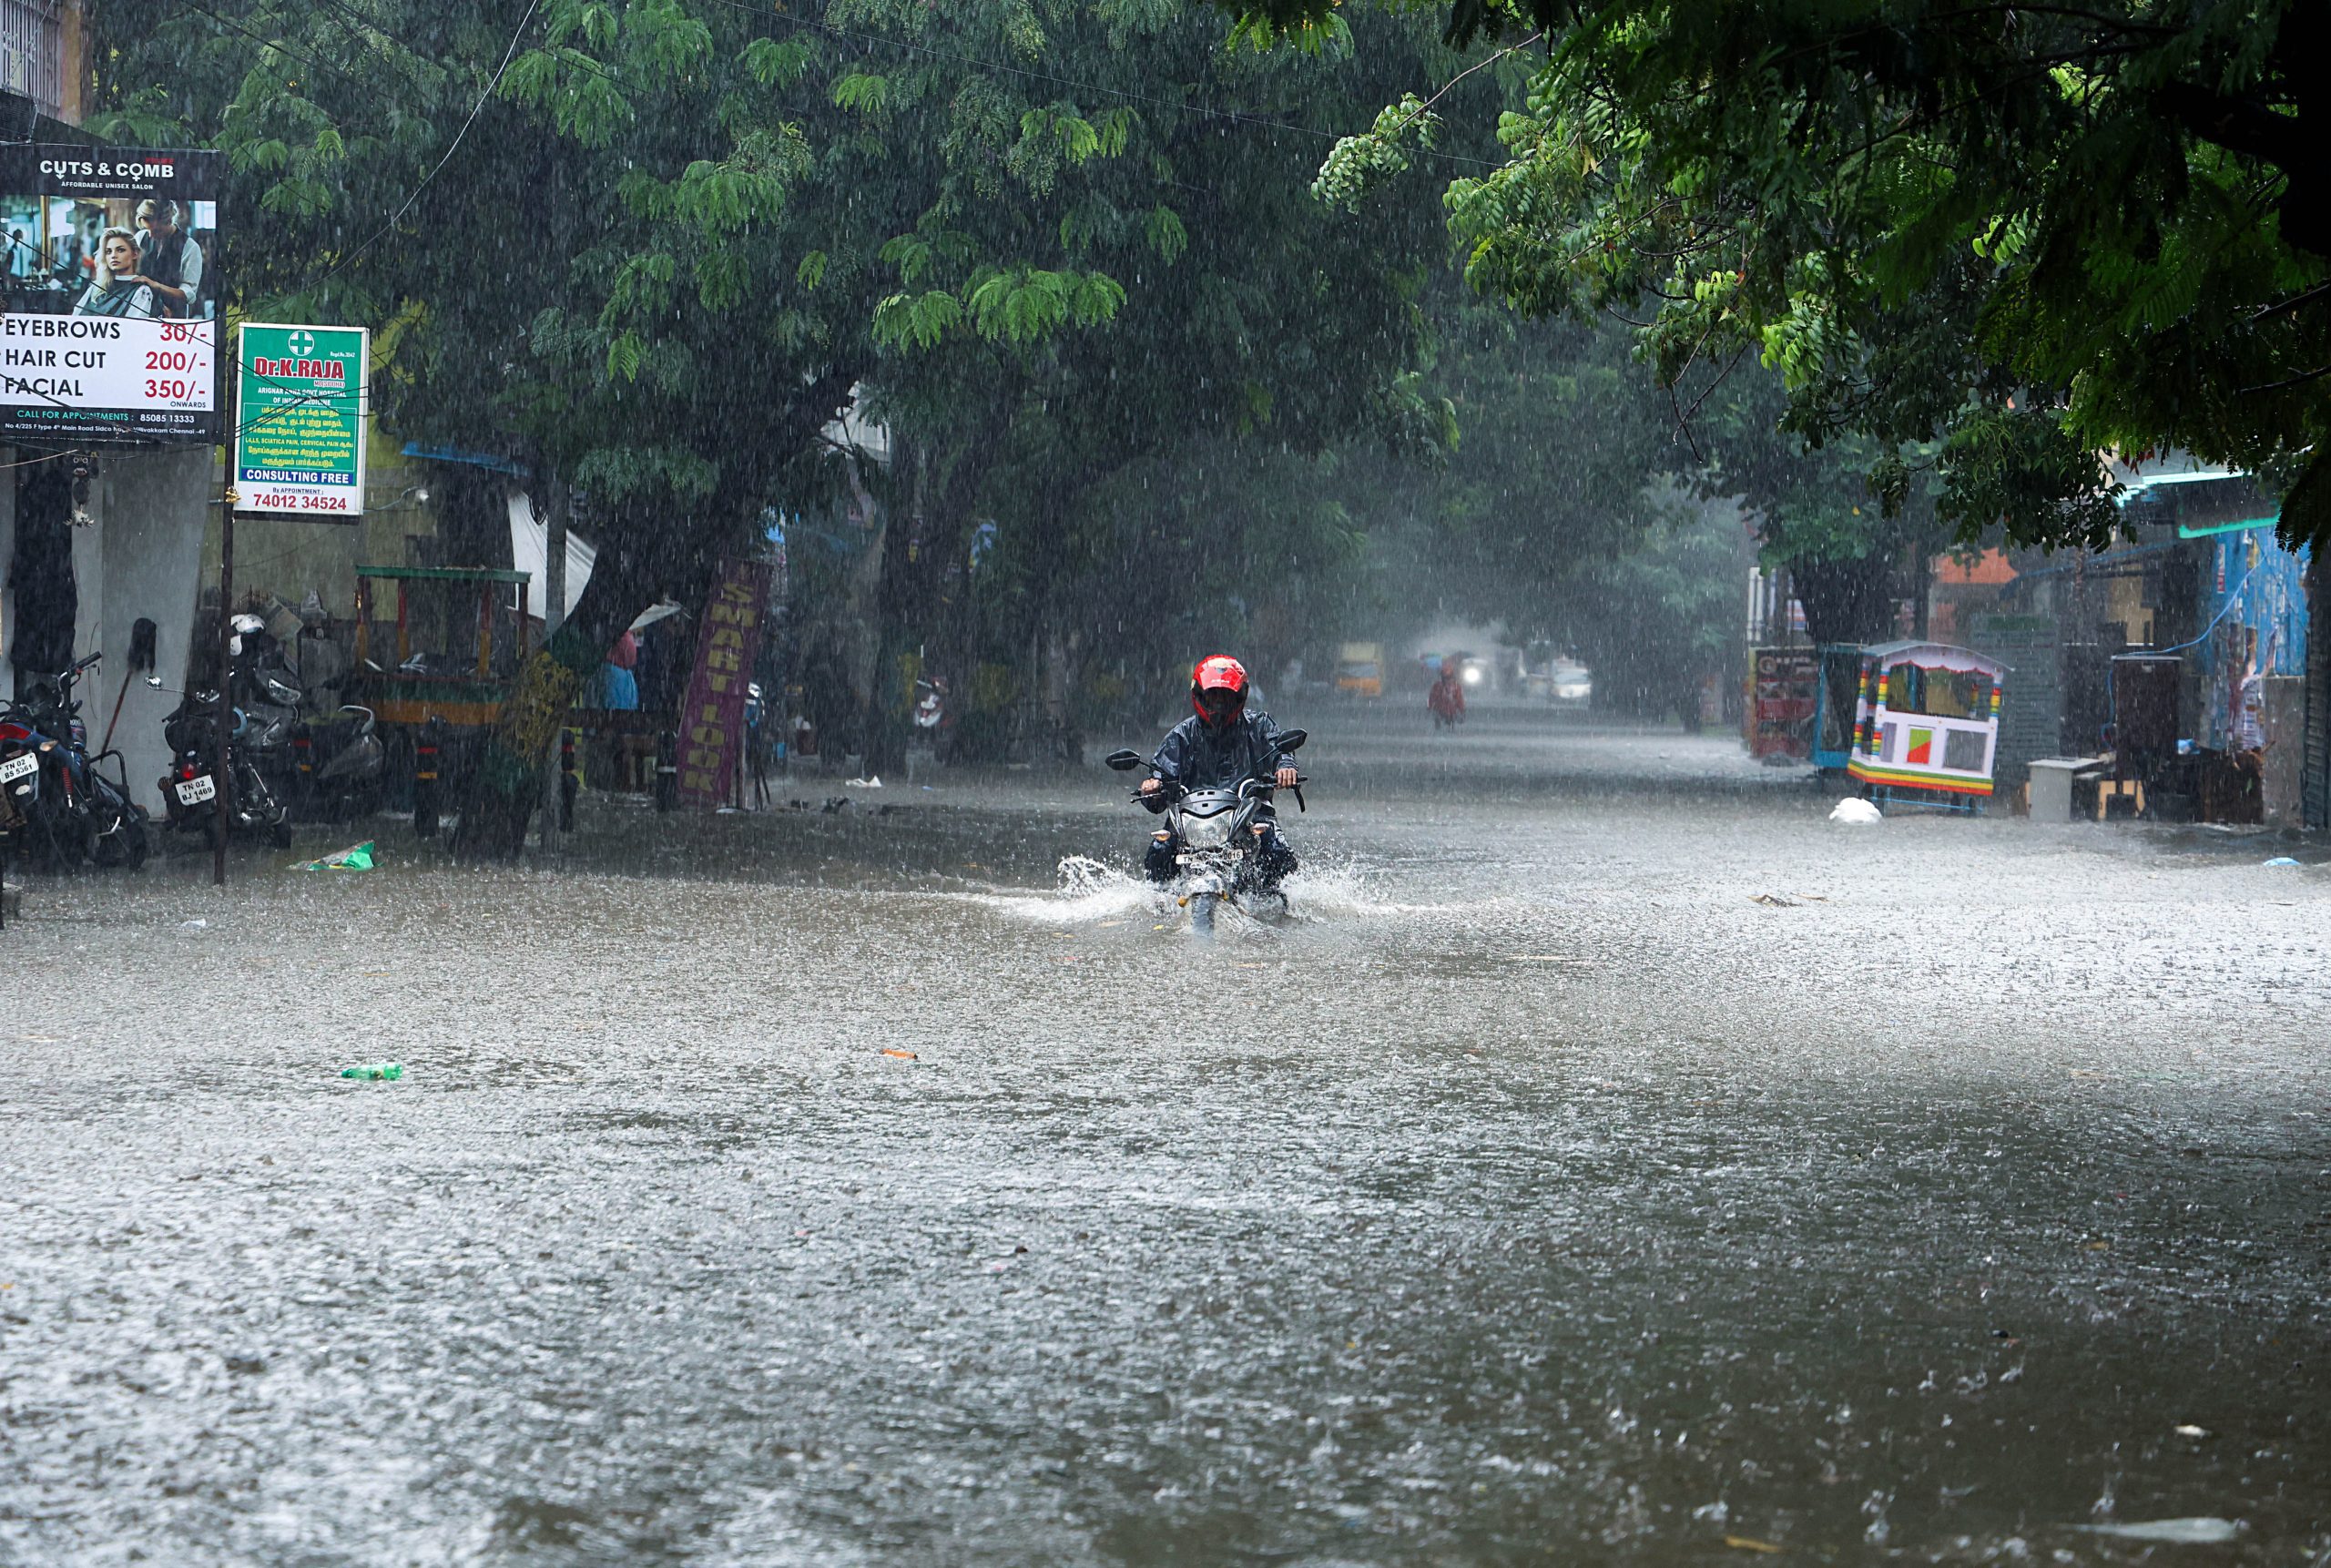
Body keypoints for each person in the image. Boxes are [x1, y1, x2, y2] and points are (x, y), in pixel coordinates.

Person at [1138, 654, 1300, 889]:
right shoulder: (1182, 735)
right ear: (1200, 696)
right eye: (1213, 696)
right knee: (1159, 850)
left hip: (1249, 814)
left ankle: (1278, 906)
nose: (1218, 704)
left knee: (1276, 851)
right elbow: (1160, 776)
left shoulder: (1260, 725)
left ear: (1239, 696)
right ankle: (1159, 904)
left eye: (1225, 696)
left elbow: (1280, 749)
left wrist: (1286, 766)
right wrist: (1152, 786)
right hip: (1190, 820)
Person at [132, 199, 204, 319]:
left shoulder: (190, 248)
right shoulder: (140, 238)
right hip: (141, 313)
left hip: (172, 318)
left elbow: (188, 295)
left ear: (169, 221)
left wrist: (155, 285)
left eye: (156, 230)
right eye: (147, 229)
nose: (150, 235)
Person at [72, 229, 158, 320]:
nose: (113, 255)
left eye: (120, 250)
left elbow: (133, 328)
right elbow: (74, 319)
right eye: (108, 252)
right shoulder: (95, 288)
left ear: (134, 254)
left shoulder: (141, 291)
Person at [1428, 656, 1466, 728]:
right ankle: (1441, 724)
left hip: (1449, 710)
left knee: (1449, 722)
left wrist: (1462, 709)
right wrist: (1430, 707)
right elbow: (1432, 697)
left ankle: (1448, 726)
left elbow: (1459, 699)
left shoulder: (1455, 686)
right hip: (1441, 709)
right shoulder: (1438, 686)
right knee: (1441, 721)